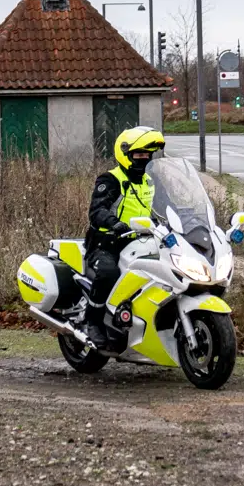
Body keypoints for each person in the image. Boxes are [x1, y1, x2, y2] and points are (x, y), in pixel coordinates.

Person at [83, 125, 165, 349]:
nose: (143, 159)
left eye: (147, 155)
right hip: (107, 243)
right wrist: (114, 223)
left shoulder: (149, 181)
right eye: (138, 155)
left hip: (141, 242)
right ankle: (93, 322)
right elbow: (97, 211)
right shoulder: (110, 179)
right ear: (125, 154)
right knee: (108, 273)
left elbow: (164, 208)